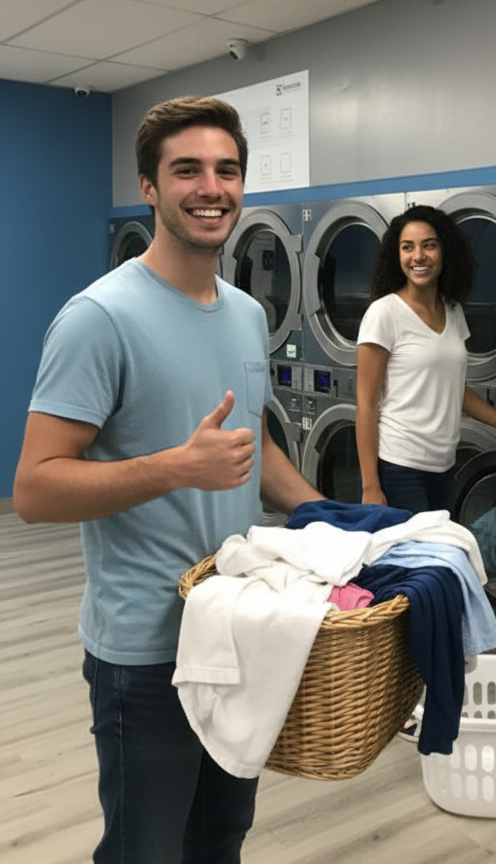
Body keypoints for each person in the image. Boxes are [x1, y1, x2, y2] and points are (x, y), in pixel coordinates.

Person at [13, 95, 323, 864]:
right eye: (186, 170)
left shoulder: (250, 314)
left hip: (237, 626)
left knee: (220, 838)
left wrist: (330, 515)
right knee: (145, 850)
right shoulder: (99, 317)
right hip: (145, 650)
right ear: (149, 187)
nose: (209, 187)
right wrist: (176, 469)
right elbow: (36, 488)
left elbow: (250, 448)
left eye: (226, 170)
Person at [355, 204, 496, 516]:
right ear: (397, 256)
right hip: (398, 467)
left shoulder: (453, 311)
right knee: (416, 560)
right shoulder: (384, 313)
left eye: (428, 245)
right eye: (407, 247)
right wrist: (370, 486)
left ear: (445, 252)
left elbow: (455, 391)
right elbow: (365, 405)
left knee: (438, 557)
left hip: (444, 466)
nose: (418, 256)